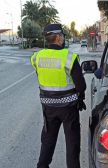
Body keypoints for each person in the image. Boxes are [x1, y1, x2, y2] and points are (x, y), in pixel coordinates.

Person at [31, 24, 86, 168]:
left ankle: (42, 166)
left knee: (48, 140)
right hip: (69, 108)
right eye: (62, 36)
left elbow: (40, 76)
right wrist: (80, 98)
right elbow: (81, 86)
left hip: (48, 107)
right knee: (72, 143)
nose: (63, 38)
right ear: (58, 37)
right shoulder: (69, 57)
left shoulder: (37, 57)